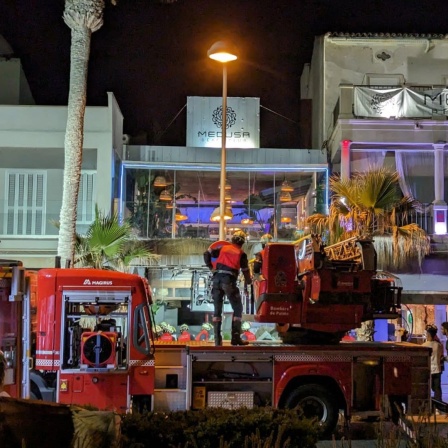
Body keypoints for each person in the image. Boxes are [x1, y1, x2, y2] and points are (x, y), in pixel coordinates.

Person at [204, 230, 252, 346]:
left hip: (216, 281)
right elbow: (246, 272)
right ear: (242, 242)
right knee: (238, 308)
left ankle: (217, 341)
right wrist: (249, 282)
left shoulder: (223, 249)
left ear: (232, 240)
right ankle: (235, 338)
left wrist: (211, 268)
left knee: (217, 311)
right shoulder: (241, 254)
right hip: (229, 282)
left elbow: (206, 254)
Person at [423, 325, 443, 403]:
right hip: (437, 369)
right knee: (437, 389)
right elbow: (441, 355)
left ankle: (428, 405)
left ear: (428, 335)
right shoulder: (439, 345)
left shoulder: (424, 346)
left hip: (428, 370)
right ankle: (439, 405)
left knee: (426, 388)